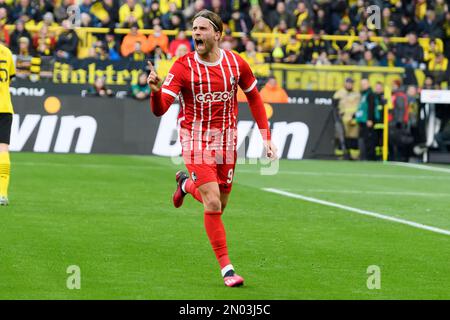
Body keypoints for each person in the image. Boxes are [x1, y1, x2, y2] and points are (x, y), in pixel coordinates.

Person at [147, 9, 277, 288]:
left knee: (221, 202)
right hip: (194, 139)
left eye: (203, 29)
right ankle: (227, 269)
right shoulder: (182, 67)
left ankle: (184, 185)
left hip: (226, 140)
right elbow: (159, 110)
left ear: (217, 34)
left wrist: (266, 136)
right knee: (214, 201)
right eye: (194, 29)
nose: (196, 34)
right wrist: (156, 91)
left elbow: (254, 97)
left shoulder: (236, 64)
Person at [0, 43, 15, 205]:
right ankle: (2, 194)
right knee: (3, 149)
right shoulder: (6, 52)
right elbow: (9, 80)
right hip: (4, 107)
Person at [332, 77, 361, 160]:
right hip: (343, 118)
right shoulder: (339, 93)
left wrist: (356, 116)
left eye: (351, 83)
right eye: (348, 83)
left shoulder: (357, 94)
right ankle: (341, 154)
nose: (349, 84)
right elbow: (334, 106)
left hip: (354, 118)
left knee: (353, 137)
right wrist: (337, 118)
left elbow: (360, 106)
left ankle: (354, 155)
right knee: (341, 136)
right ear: (345, 83)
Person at [355, 78, 377, 160]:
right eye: (362, 84)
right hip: (362, 121)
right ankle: (363, 156)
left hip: (367, 121)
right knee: (363, 139)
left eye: (364, 84)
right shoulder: (363, 94)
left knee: (368, 140)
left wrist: (370, 119)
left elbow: (371, 107)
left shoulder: (370, 94)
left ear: (368, 84)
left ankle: (369, 157)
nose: (363, 86)